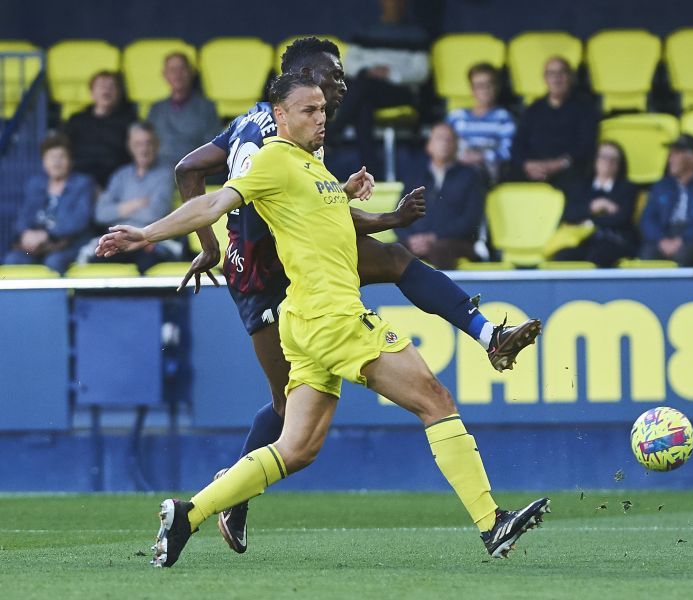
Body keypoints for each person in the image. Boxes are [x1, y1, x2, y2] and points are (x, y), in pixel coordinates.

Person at [96, 73, 550, 568]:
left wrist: (350, 196)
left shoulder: (310, 165)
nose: (321, 118)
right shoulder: (272, 160)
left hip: (306, 322)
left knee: (296, 448)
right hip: (333, 317)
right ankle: (491, 522)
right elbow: (212, 201)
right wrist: (147, 233)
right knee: (435, 400)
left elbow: (321, 219)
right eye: (308, 110)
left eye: (323, 109)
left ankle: (188, 514)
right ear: (280, 115)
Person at [330, 0, 430, 173]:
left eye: (398, 2)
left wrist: (391, 74)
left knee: (361, 88)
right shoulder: (364, 31)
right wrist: (369, 71)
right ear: (381, 3)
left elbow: (421, 71)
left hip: (400, 90)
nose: (394, 5)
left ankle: (333, 132)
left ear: (405, 5)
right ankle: (371, 169)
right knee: (364, 103)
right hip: (367, 87)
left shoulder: (416, 34)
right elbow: (349, 63)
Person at [87, 123, 177, 272]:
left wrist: (118, 210)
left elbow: (155, 213)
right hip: (120, 241)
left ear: (157, 145)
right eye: (138, 144)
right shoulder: (120, 175)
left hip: (152, 239)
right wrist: (136, 204)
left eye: (148, 143)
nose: (144, 149)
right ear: (130, 146)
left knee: (148, 262)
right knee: (96, 260)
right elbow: (100, 213)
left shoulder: (166, 174)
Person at [509, 57, 598, 205]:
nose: (556, 79)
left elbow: (586, 146)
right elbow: (518, 144)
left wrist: (557, 164)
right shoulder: (533, 109)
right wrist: (527, 165)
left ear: (570, 77)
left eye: (561, 73)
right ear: (545, 79)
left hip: (567, 169)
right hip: (533, 169)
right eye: (551, 74)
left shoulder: (585, 108)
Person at [397, 123, 485, 269]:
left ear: (456, 146)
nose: (444, 143)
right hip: (416, 240)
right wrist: (411, 238)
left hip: (455, 242)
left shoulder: (470, 176)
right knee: (393, 249)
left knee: (441, 249)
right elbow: (399, 213)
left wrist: (434, 237)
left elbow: (470, 219)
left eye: (449, 139)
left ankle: (445, 285)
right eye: (439, 138)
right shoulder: (415, 175)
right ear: (429, 145)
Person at [4, 134, 93, 274]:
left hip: (68, 245)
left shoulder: (82, 183)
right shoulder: (35, 185)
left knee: (54, 261)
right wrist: (26, 234)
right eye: (51, 157)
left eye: (62, 156)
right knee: (13, 259)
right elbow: (23, 217)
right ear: (43, 162)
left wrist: (47, 235)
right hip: (37, 247)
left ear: (71, 161)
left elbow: (79, 220)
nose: (56, 162)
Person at [638, 133, 693, 267]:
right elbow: (647, 220)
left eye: (676, 154)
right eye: (670, 154)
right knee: (647, 253)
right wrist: (661, 239)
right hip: (666, 236)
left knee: (686, 254)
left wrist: (683, 239)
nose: (670, 159)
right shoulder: (661, 186)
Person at [553, 141, 638, 267]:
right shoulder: (581, 186)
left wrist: (591, 222)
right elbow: (569, 214)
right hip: (583, 240)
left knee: (598, 255)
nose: (607, 162)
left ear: (620, 164)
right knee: (563, 257)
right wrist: (593, 206)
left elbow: (622, 218)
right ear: (595, 160)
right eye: (603, 157)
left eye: (613, 159)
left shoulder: (627, 188)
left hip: (615, 240)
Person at [147, 52, 221, 169]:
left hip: (193, 169)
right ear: (165, 75)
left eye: (182, 69)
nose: (178, 74)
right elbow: (147, 144)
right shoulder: (156, 109)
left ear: (191, 72)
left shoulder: (206, 107)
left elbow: (212, 147)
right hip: (159, 170)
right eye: (172, 70)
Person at [445, 63, 516, 183]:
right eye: (479, 86)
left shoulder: (504, 118)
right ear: (471, 90)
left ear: (497, 87)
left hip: (485, 171)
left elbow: (509, 152)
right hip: (456, 166)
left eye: (489, 84)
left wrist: (482, 156)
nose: (485, 90)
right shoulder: (456, 116)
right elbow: (442, 143)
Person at [64, 71, 137, 188]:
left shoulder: (130, 122)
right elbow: (64, 149)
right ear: (91, 93)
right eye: (101, 86)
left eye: (112, 86)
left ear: (119, 93)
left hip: (115, 182)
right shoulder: (76, 120)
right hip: (78, 180)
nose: (106, 90)